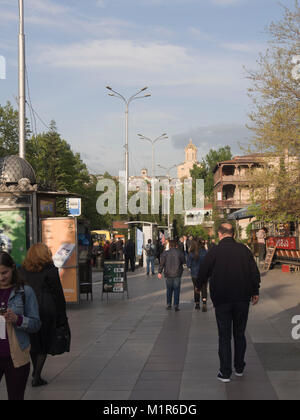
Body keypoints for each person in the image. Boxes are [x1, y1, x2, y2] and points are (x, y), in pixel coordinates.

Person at [196, 223, 260, 383]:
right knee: (239, 334)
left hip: (222, 299)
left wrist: (198, 285)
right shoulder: (244, 250)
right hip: (242, 299)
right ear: (234, 234)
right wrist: (255, 291)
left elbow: (203, 270)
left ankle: (225, 372)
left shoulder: (215, 251)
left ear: (220, 234)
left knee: (224, 336)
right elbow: (254, 272)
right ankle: (239, 367)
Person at [19, 243, 69, 387]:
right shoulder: (50, 270)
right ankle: (37, 375)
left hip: (28, 308)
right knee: (45, 341)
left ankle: (35, 372)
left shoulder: (22, 270)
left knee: (33, 342)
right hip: (47, 308)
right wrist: (62, 316)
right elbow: (58, 294)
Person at [0, 252, 40, 400]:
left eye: (4, 272)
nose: (1, 277)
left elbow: (36, 324)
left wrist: (17, 319)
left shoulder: (25, 292)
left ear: (12, 268)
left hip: (16, 357)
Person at [158, 240, 186, 312]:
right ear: (176, 245)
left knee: (169, 290)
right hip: (177, 274)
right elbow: (184, 261)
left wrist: (159, 272)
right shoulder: (180, 253)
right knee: (177, 290)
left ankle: (168, 304)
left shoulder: (165, 253)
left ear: (169, 245)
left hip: (168, 274)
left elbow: (162, 263)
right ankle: (176, 305)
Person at [187, 239, 208, 311]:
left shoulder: (191, 253)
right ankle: (204, 302)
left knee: (196, 288)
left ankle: (197, 304)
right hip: (204, 273)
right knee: (204, 288)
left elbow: (188, 265)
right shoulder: (205, 252)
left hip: (195, 274)